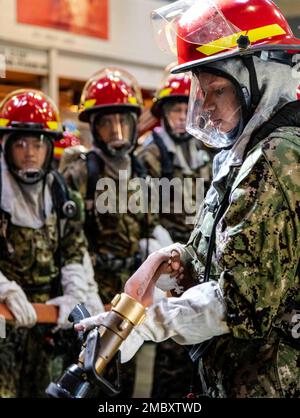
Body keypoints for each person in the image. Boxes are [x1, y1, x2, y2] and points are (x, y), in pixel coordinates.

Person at [77, 0, 300, 398]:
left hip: (269, 381)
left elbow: (241, 302)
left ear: (259, 79)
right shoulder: (245, 153)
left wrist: (144, 323)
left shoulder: (275, 156)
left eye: (218, 89)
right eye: (202, 89)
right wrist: (177, 259)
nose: (206, 105)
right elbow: (221, 253)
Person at [61, 67, 169, 397]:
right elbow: (69, 240)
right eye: (107, 122)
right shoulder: (80, 170)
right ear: (94, 126)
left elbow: (149, 222)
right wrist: (83, 291)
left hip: (130, 290)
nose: (117, 130)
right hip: (93, 288)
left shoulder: (141, 167)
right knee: (86, 374)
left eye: (123, 120)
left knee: (125, 374)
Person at [0, 89, 102, 397]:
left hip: (47, 325)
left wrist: (75, 296)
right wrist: (3, 287)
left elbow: (74, 252)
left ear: (49, 148)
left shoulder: (62, 196)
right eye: (20, 143)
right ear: (5, 146)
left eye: (37, 144)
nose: (30, 152)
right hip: (4, 319)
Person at [137, 68, 213, 397]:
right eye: (175, 110)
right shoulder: (149, 153)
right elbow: (141, 213)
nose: (182, 117)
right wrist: (162, 248)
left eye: (186, 109)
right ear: (162, 114)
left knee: (196, 342)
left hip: (197, 255)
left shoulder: (205, 148)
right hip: (165, 254)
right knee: (169, 340)